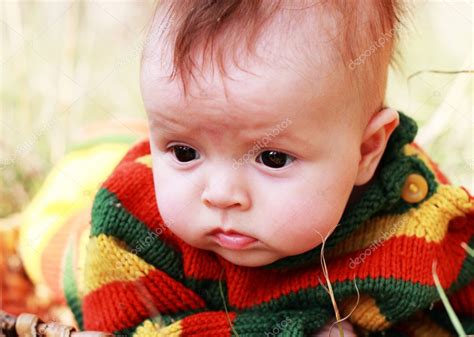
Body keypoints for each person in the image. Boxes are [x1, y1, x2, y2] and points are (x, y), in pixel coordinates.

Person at [65, 1, 474, 336]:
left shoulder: (416, 212)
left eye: (272, 158)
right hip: (78, 245)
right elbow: (126, 329)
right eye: (184, 152)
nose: (221, 193)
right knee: (53, 226)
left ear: (366, 152)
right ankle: (94, 151)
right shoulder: (131, 227)